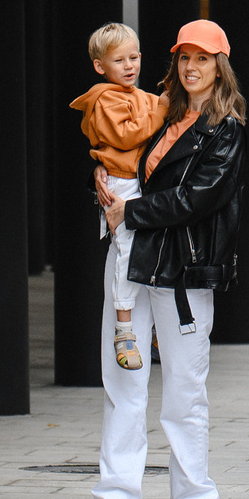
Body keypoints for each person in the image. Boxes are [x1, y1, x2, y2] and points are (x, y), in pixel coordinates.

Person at [88, 19, 243, 499]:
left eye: (203, 58)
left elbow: (198, 199)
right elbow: (119, 155)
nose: (193, 67)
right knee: (123, 382)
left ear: (220, 65)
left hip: (183, 270)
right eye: (184, 58)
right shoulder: (155, 113)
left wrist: (128, 211)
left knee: (185, 387)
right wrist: (105, 180)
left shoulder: (227, 130)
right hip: (130, 264)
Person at [69, 22, 165, 373]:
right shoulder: (105, 98)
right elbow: (127, 137)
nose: (130, 65)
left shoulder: (139, 96)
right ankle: (125, 327)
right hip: (122, 184)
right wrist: (163, 107)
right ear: (100, 66)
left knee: (154, 247)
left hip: (140, 183)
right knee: (128, 250)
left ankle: (152, 325)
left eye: (135, 57)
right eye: (120, 60)